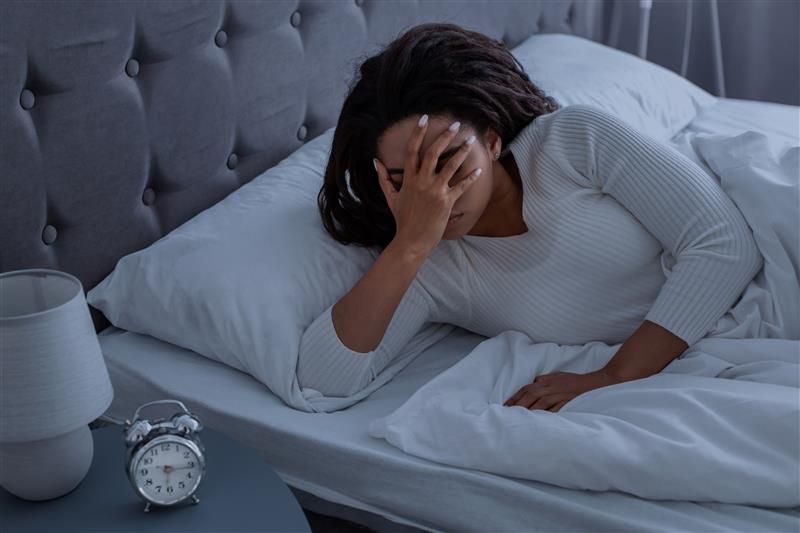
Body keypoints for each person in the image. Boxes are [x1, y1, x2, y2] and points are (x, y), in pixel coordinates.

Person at [296, 23, 763, 410]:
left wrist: (616, 374)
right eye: (404, 178)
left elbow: (726, 243)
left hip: (775, 261)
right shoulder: (432, 272)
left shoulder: (572, 141)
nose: (434, 193)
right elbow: (323, 380)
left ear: (493, 141)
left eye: (450, 159)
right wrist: (410, 246)